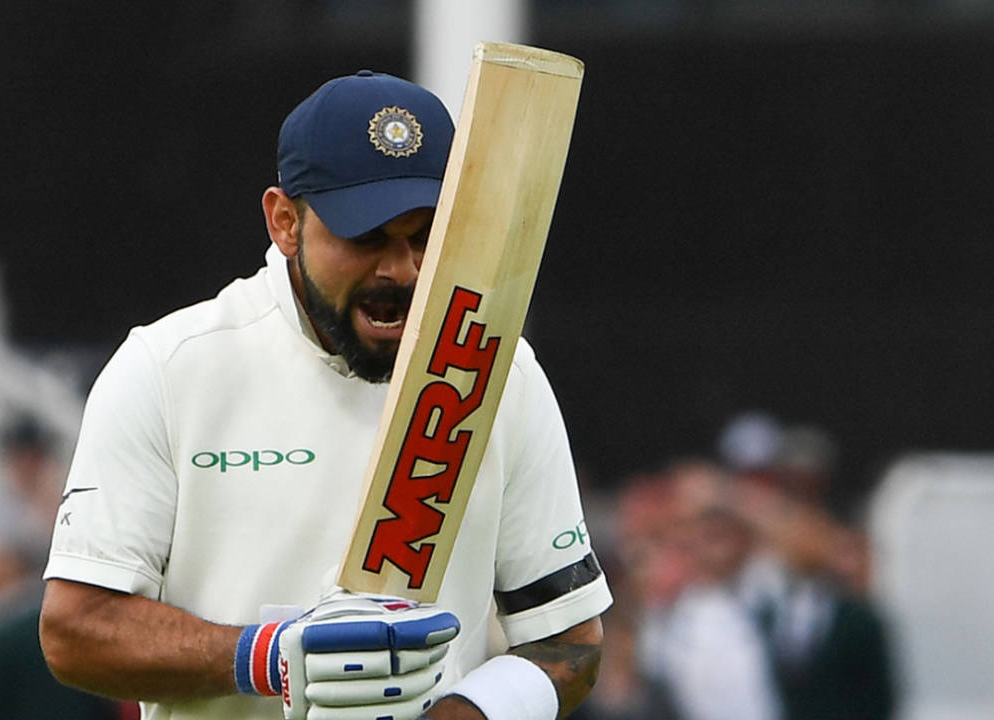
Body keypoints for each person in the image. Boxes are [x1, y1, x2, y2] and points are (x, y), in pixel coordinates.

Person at [39, 70, 612, 720]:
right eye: (366, 237)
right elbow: (74, 631)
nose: (402, 270)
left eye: (428, 236)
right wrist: (275, 656)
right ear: (284, 221)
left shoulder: (498, 374)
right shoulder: (170, 370)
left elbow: (572, 644)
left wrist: (461, 715)